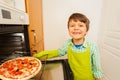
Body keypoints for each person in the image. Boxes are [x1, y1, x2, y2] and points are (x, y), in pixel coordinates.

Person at [33, 13, 103, 80]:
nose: (76, 28)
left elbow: (97, 69)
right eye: (72, 25)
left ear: (86, 31)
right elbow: (59, 52)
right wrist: (39, 55)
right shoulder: (67, 44)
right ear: (68, 30)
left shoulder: (93, 46)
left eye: (80, 25)